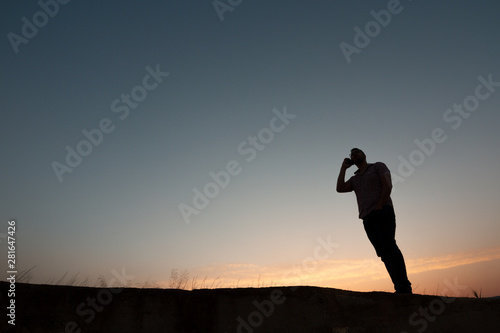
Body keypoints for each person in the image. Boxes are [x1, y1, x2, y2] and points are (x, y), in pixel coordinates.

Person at [336, 148, 412, 294]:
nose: (354, 154)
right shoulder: (355, 179)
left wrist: (379, 206)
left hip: (382, 211)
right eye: (352, 154)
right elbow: (339, 188)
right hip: (367, 218)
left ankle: (404, 287)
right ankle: (400, 288)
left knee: (389, 246)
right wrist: (343, 168)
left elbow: (388, 185)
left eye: (357, 152)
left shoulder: (377, 166)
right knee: (383, 253)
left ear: (364, 155)